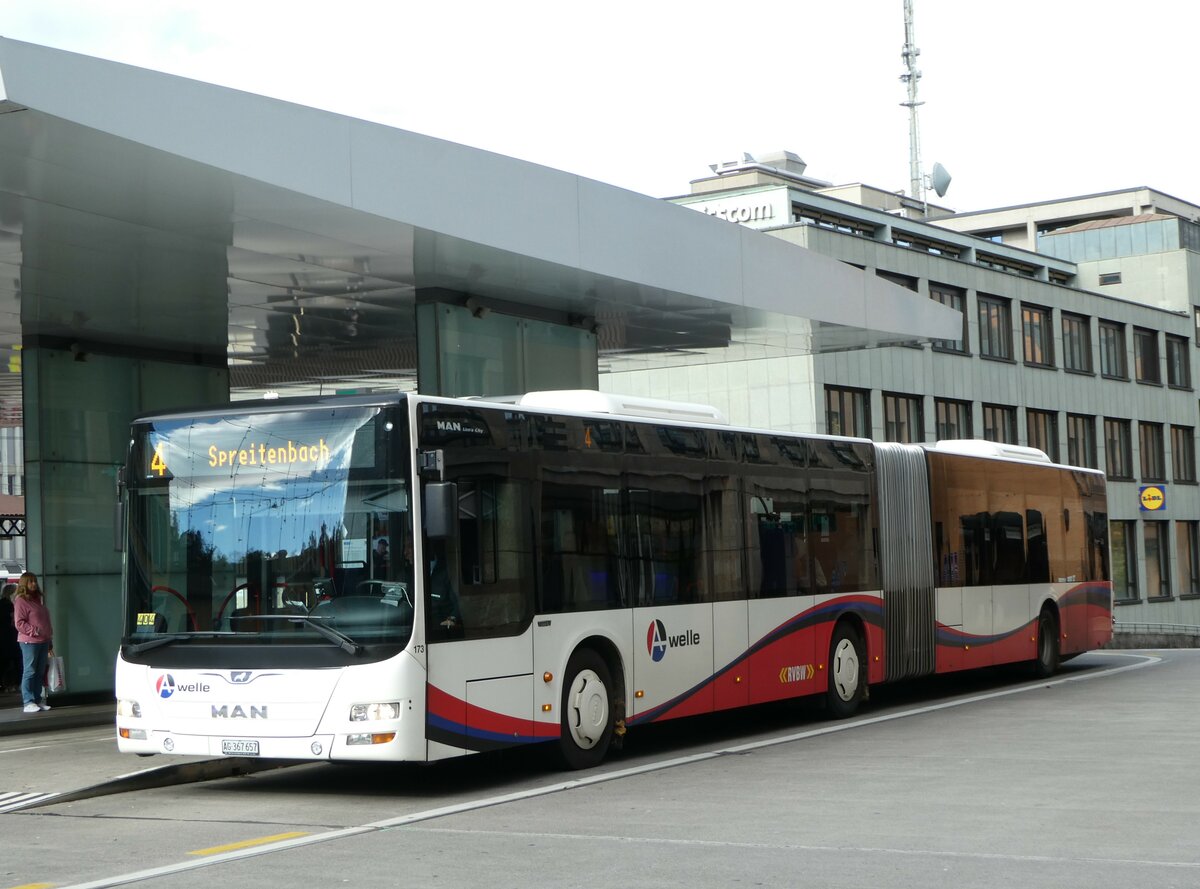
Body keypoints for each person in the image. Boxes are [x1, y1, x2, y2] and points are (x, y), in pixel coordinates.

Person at [12, 572, 53, 713]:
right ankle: (28, 701)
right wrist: (34, 631)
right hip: (29, 642)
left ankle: (36, 700)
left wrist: (49, 638)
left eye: (35, 581)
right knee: (30, 671)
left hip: (43, 641)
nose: (34, 584)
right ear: (24, 584)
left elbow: (44, 621)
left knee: (40, 671)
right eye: (30, 582)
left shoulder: (36, 600)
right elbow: (19, 623)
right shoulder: (21, 601)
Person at [0, 583, 20, 692]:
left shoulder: (1, 603)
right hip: (11, 637)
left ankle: (4, 684)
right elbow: (14, 622)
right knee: (16, 661)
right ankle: (15, 683)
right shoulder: (9, 605)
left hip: (3, 637)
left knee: (4, 661)